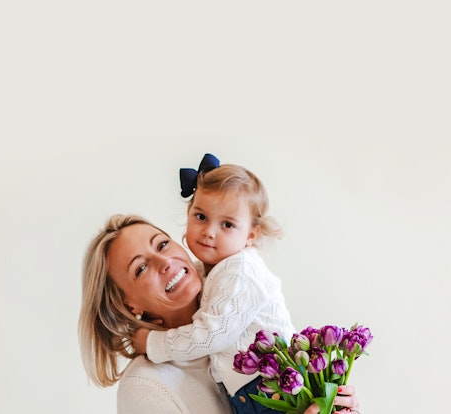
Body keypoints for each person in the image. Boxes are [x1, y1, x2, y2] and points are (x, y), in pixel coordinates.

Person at [132, 154, 360, 414]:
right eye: (201, 217)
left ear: (251, 235)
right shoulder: (209, 272)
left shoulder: (240, 272)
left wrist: (153, 343)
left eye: (227, 224)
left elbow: (212, 335)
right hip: (250, 391)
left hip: (273, 386)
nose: (209, 231)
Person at [79, 213, 361, 414]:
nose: (165, 262)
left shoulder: (244, 320)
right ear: (130, 307)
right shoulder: (147, 387)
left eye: (163, 244)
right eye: (141, 268)